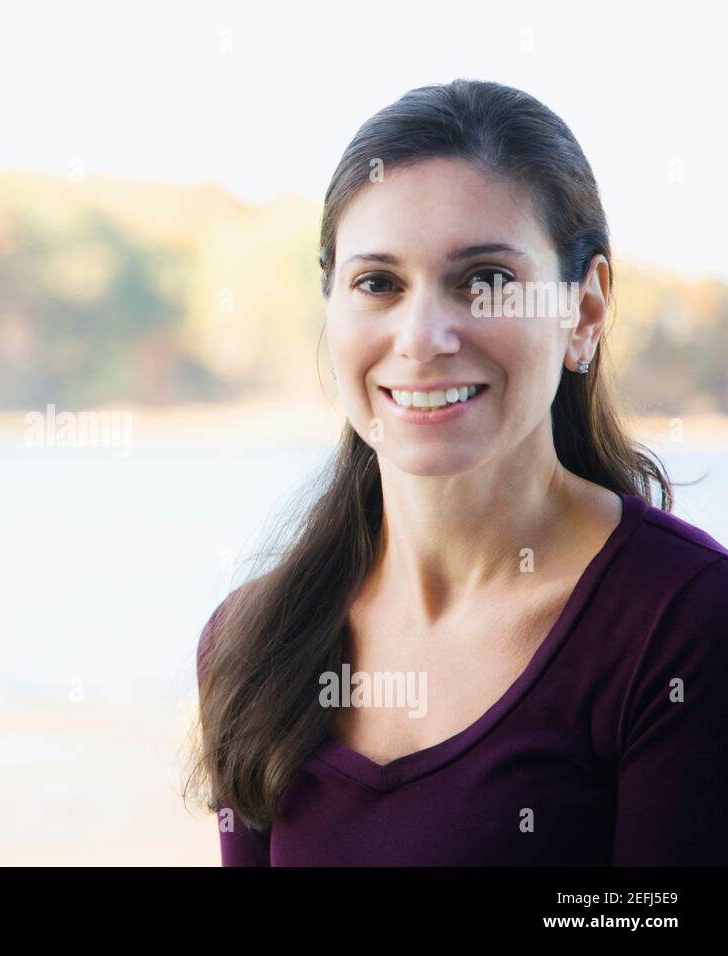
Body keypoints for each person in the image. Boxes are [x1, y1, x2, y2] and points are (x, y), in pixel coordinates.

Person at [189, 79, 728, 866]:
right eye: (379, 283)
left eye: (485, 280)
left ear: (584, 313)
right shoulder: (249, 641)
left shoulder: (687, 625)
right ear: (333, 307)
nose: (423, 336)